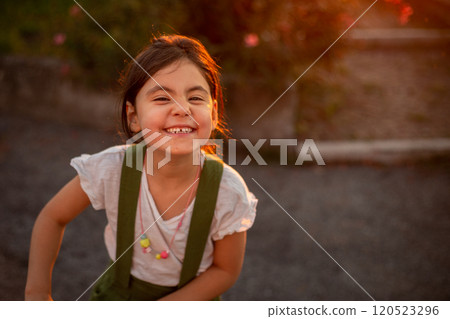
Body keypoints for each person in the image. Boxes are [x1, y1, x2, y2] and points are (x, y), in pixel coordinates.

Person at [25, 35, 257, 301]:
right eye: (161, 98)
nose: (182, 108)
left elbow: (225, 270)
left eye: (195, 97)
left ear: (213, 113)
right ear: (134, 117)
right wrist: (37, 293)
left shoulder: (227, 190)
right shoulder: (112, 169)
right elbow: (52, 218)